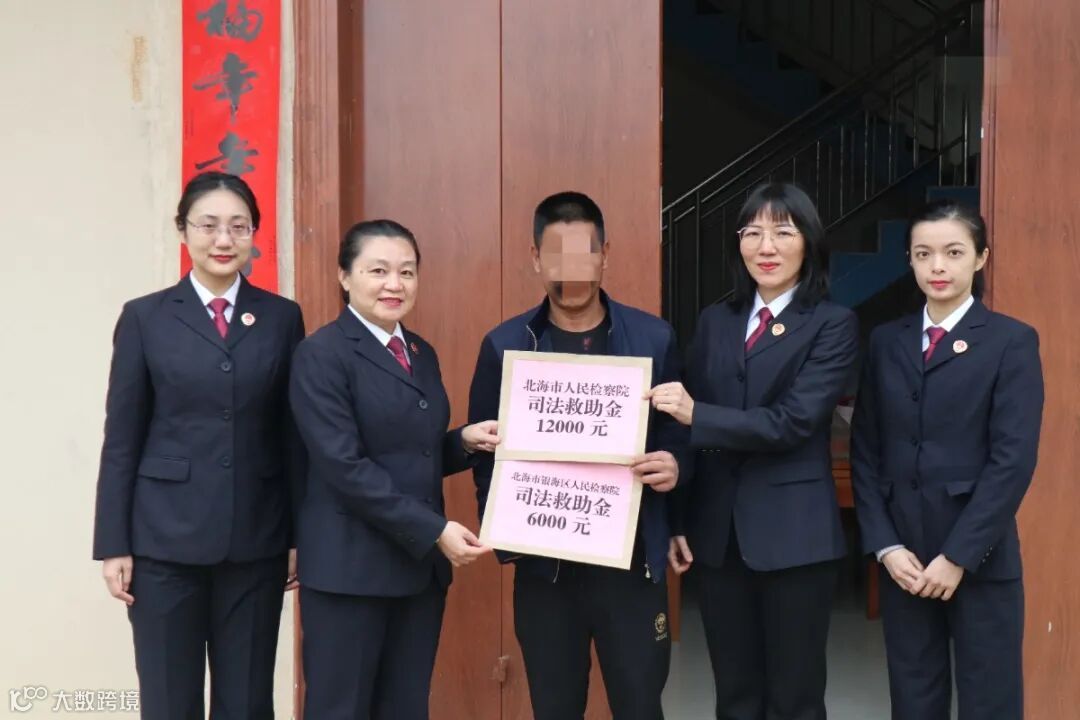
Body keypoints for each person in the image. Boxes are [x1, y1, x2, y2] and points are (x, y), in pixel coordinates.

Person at [92, 171, 305, 719]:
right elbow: (122, 438)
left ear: (254, 233)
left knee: (248, 703)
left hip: (256, 540)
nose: (223, 240)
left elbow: (291, 435)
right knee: (169, 701)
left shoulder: (281, 317)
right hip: (163, 545)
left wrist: (296, 534)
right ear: (183, 230)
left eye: (239, 226)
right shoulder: (145, 317)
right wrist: (113, 543)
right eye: (208, 226)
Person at [468, 191, 685, 719]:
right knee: (555, 708)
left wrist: (674, 469)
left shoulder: (653, 339)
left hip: (632, 570)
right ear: (535, 257)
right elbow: (485, 456)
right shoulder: (505, 345)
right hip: (547, 575)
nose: (572, 271)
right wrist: (509, 532)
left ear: (604, 255)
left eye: (584, 255)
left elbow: (679, 439)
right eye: (557, 256)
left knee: (641, 706)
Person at [651, 182, 858, 720]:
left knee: (795, 697)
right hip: (719, 537)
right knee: (735, 694)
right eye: (752, 232)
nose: (766, 247)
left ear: (808, 243)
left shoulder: (832, 324)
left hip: (796, 537)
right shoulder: (716, 321)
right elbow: (686, 438)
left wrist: (697, 413)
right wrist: (679, 519)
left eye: (783, 232)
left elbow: (793, 422)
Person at [288, 219, 499, 720]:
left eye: (406, 271)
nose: (394, 284)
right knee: (340, 710)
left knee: (406, 708)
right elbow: (345, 466)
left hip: (416, 574)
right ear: (344, 276)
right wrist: (435, 530)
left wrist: (463, 442)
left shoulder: (419, 352)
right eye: (378, 270)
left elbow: (412, 452)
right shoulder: (321, 354)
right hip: (349, 573)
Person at [850, 201, 1043, 719]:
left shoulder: (1011, 341)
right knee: (914, 699)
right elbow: (865, 450)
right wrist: (886, 546)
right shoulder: (886, 341)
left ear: (981, 258)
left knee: (990, 701)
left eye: (953, 253)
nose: (937, 266)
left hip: (980, 559)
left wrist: (957, 556)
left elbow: (1012, 460)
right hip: (905, 563)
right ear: (910, 261)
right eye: (923, 254)